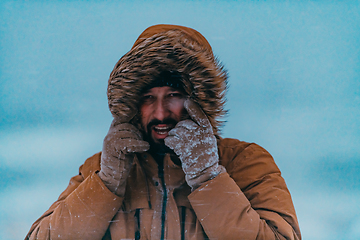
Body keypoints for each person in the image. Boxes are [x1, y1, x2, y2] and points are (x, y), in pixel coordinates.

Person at [26, 24, 301, 240]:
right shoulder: (101, 169)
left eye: (174, 94)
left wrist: (208, 177)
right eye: (148, 97)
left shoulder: (247, 162)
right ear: (133, 104)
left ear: (200, 100)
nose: (160, 113)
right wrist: (107, 184)